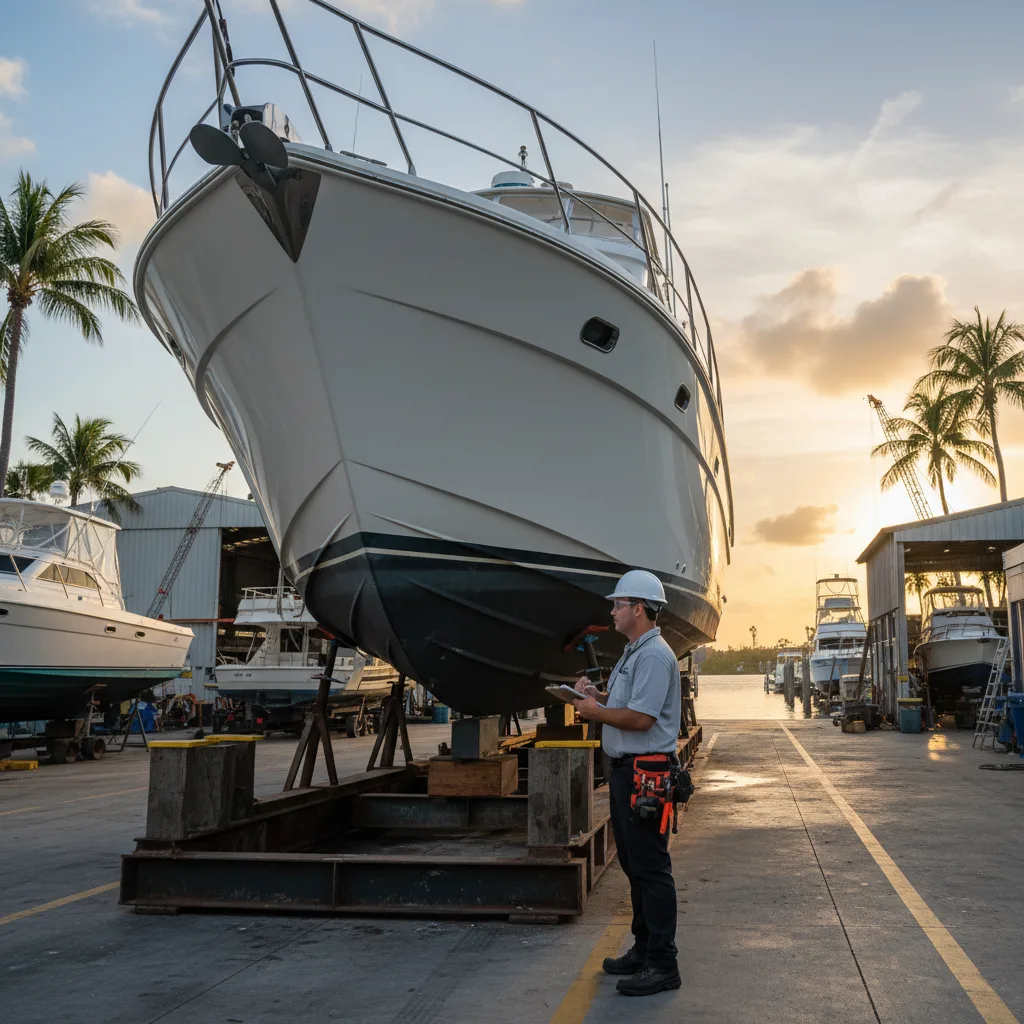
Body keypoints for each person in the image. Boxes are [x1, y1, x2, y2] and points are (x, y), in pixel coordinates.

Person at [573, 569, 682, 997]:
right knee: (635, 866)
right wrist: (591, 697)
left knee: (652, 868)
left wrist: (596, 714)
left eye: (618, 604)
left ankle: (663, 963)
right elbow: (625, 704)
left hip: (646, 773)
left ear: (638, 609)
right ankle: (644, 948)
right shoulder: (634, 652)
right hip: (628, 772)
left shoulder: (654, 656)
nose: (612, 611)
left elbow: (641, 719)